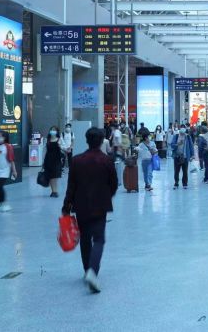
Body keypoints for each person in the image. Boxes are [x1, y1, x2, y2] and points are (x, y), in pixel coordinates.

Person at [62, 127, 118, 294]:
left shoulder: (77, 161)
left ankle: (87, 270)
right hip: (100, 205)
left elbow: (71, 187)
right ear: (102, 141)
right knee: (99, 239)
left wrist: (66, 207)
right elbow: (114, 184)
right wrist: (107, 195)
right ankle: (93, 272)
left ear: (86, 140)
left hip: (81, 206)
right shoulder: (107, 160)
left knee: (85, 239)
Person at [44, 126, 63, 198]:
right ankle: (53, 191)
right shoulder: (48, 140)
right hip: (48, 159)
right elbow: (45, 151)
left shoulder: (59, 139)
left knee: (55, 176)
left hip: (56, 160)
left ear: (57, 132)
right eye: (51, 130)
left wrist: (61, 146)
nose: (53, 131)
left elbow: (63, 148)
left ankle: (55, 191)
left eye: (54, 130)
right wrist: (43, 162)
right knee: (51, 176)